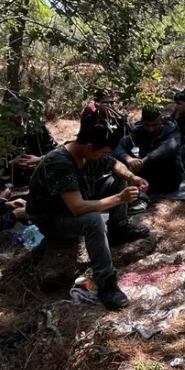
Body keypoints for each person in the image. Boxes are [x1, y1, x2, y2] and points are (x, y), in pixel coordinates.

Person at [27, 106, 150, 310]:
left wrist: (132, 177)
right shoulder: (60, 163)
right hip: (52, 219)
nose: (104, 156)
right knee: (93, 220)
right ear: (89, 146)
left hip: (75, 199)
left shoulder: (87, 153)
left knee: (119, 180)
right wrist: (119, 199)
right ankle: (106, 284)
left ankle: (118, 229)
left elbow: (113, 164)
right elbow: (77, 208)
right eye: (102, 152)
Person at [0, 96, 57, 187]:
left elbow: (53, 153)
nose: (21, 122)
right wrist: (10, 164)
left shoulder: (36, 129)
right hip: (6, 183)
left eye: (24, 116)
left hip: (36, 180)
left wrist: (40, 160)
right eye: (17, 117)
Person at [113, 107, 184, 195]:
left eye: (155, 125)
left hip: (169, 178)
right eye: (147, 125)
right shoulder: (138, 131)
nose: (151, 129)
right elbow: (118, 147)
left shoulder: (173, 133)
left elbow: (164, 150)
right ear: (142, 121)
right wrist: (129, 159)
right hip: (145, 174)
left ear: (161, 120)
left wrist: (142, 162)